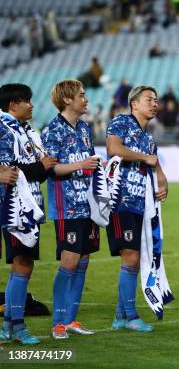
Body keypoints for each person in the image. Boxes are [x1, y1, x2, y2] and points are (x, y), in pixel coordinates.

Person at [105, 85, 169, 332]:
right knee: (130, 257)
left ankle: (121, 316)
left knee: (134, 257)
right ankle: (130, 316)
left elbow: (154, 164)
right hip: (120, 201)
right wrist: (146, 159)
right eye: (149, 99)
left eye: (156, 100)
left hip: (141, 204)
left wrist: (162, 181)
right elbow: (113, 149)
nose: (155, 104)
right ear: (134, 104)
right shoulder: (121, 121)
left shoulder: (148, 137)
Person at [0, 83, 57, 345]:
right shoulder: (4, 129)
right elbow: (11, 171)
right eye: (27, 100)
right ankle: (16, 325)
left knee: (23, 264)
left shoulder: (23, 130)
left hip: (26, 206)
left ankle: (11, 324)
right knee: (22, 263)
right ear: (13, 105)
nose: (32, 105)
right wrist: (39, 166)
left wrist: (42, 167)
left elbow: (31, 172)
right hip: (13, 208)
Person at [42, 80, 100, 339]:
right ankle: (58, 323)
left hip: (87, 205)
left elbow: (87, 164)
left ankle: (71, 319)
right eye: (81, 95)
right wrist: (81, 165)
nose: (85, 99)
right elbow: (51, 169)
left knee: (84, 261)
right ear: (67, 100)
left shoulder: (85, 128)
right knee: (70, 261)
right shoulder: (52, 130)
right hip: (68, 207)